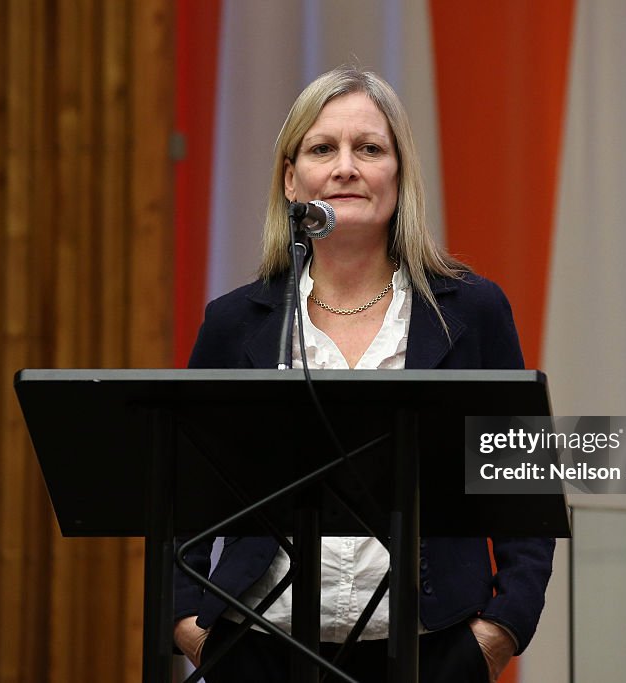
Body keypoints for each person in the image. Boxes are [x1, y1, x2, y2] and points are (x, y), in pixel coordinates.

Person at [174, 65, 555, 682]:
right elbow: (178, 495)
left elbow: (524, 490)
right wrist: (188, 625)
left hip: (430, 654)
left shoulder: (474, 311)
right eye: (323, 149)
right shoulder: (235, 322)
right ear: (292, 180)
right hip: (257, 651)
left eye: (369, 149)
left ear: (399, 177)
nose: (346, 167)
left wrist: (497, 634)